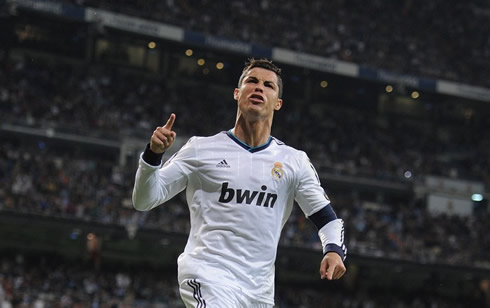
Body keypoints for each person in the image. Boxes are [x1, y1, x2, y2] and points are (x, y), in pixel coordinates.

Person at [132, 58, 347, 307]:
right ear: (237, 93)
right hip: (207, 275)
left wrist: (333, 250)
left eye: (268, 85)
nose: (259, 88)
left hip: (259, 292)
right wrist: (153, 156)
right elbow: (144, 200)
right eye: (251, 81)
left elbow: (327, 219)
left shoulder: (294, 162)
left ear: (278, 103)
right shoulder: (200, 149)